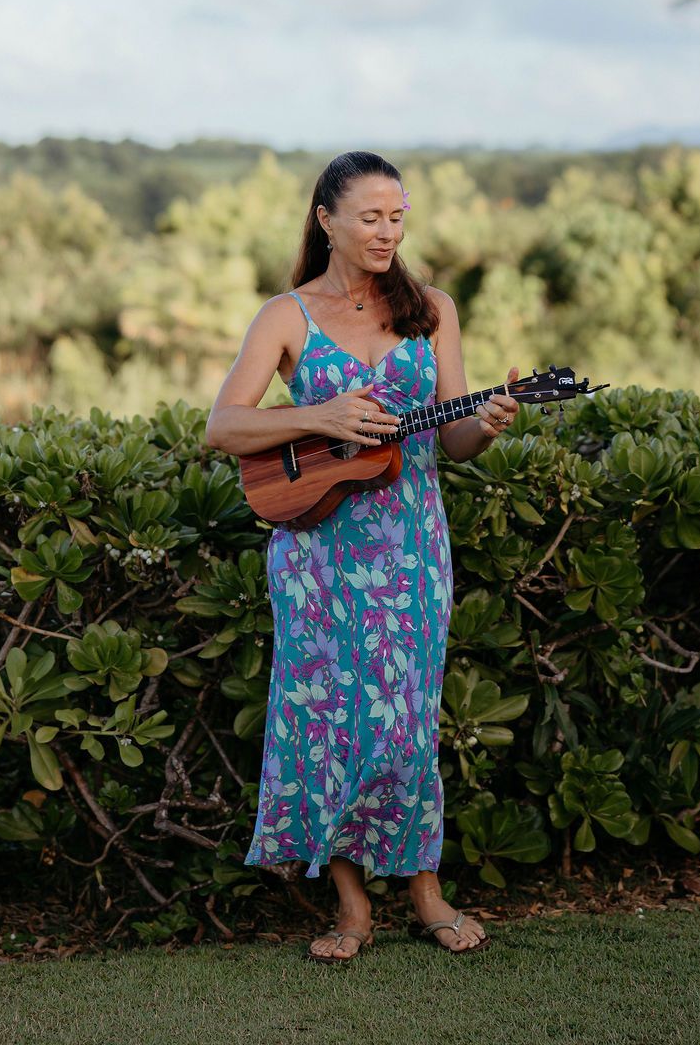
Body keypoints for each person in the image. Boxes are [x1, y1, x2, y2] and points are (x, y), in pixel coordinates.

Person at [205, 150, 520, 961]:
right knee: (331, 721)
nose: (387, 231)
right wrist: (320, 416)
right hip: (317, 555)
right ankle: (351, 907)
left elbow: (451, 438)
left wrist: (482, 425)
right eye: (371, 217)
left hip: (412, 548)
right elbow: (225, 427)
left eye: (398, 216)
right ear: (327, 220)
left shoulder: (432, 308)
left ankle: (424, 890)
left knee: (408, 726)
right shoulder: (286, 316)